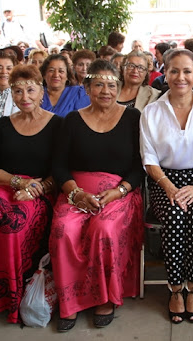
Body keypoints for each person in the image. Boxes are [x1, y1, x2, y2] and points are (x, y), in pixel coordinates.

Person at [50, 59, 144, 331]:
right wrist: (75, 193)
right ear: (87, 87)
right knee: (64, 229)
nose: (106, 90)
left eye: (112, 85)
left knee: (104, 228)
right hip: (77, 193)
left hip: (119, 193)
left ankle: (104, 297)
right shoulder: (72, 121)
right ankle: (70, 301)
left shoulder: (133, 118)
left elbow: (140, 165)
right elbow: (59, 165)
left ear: (119, 87)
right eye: (99, 84)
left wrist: (119, 191)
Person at [140, 48, 193, 324]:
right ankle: (176, 288)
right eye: (174, 70)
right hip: (164, 180)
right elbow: (149, 158)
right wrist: (168, 187)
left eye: (187, 71)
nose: (180, 77)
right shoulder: (151, 112)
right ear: (164, 73)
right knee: (175, 217)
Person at [0, 64, 61, 324]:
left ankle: (19, 293)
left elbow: (60, 170)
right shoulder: (4, 125)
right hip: (7, 186)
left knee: (16, 222)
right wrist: (18, 182)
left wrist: (37, 189)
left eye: (30, 89)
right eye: (17, 91)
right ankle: (1, 293)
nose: (24, 97)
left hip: (41, 191)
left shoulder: (57, 124)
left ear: (41, 91)